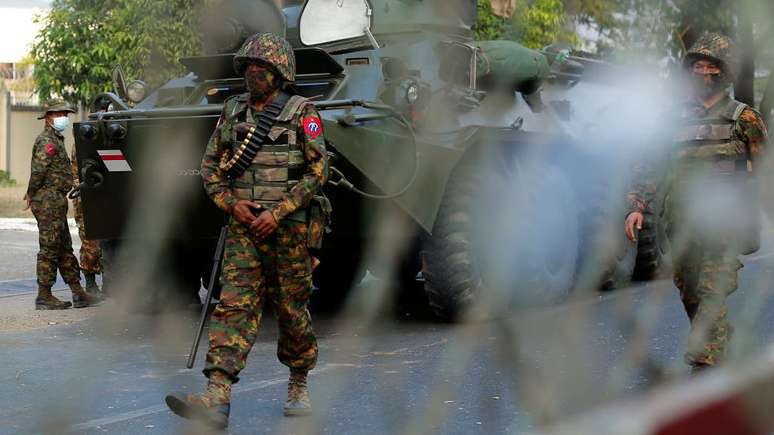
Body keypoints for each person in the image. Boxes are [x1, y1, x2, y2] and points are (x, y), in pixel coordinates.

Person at [165, 32, 329, 429]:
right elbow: (209, 169)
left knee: (292, 311)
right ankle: (216, 397)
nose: (252, 73)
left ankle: (298, 380)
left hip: (289, 230)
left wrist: (281, 210)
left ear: (280, 72)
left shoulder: (301, 111)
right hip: (243, 231)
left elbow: (317, 171)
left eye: (261, 67)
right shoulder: (233, 111)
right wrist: (231, 204)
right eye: (248, 67)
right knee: (233, 308)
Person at [625, 33, 768, 372]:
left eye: (711, 66)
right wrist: (636, 206)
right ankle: (721, 347)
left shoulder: (745, 119)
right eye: (698, 66)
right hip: (682, 224)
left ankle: (704, 365)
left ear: (726, 71)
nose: (704, 73)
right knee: (690, 291)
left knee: (710, 290)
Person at [24, 100, 103, 310]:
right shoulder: (47, 141)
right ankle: (44, 295)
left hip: (56, 200)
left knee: (64, 247)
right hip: (48, 200)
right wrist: (31, 194)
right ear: (49, 117)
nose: (64, 118)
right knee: (50, 248)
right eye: (60, 114)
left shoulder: (56, 139)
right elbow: (38, 171)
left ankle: (78, 293)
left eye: (66, 114)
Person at [71, 144, 103, 294]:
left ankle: (109, 283)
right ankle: (90, 283)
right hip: (85, 196)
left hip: (103, 197)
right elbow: (78, 175)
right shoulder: (82, 144)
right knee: (91, 243)